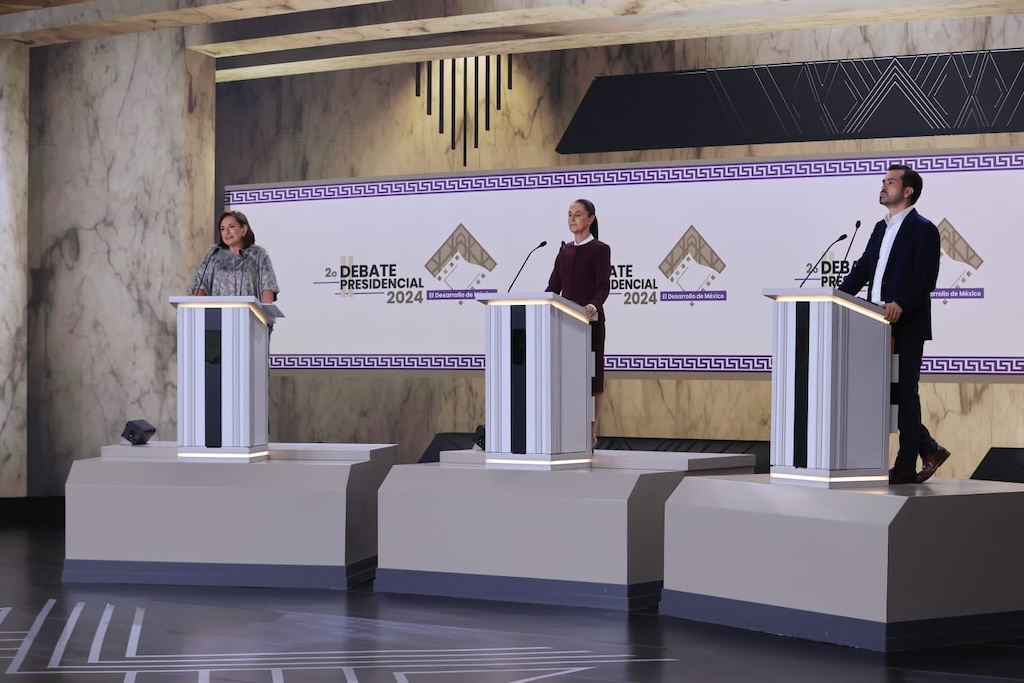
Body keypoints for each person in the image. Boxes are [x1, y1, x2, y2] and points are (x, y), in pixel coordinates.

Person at [839, 164, 950, 485]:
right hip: (874, 324)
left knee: (905, 393)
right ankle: (929, 448)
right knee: (886, 393)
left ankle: (905, 465)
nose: (883, 186)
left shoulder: (923, 228)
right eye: (883, 182)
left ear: (908, 191)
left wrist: (901, 302)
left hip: (907, 324)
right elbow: (862, 270)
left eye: (890, 182)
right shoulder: (879, 228)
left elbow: (926, 278)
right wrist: (836, 297)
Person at [545, 199, 611, 447]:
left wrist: (592, 306)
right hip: (565, 323)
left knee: (592, 378)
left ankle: (590, 431)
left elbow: (603, 286)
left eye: (578, 215)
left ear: (591, 219)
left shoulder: (600, 249)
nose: (572, 219)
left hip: (590, 322)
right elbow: (553, 287)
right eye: (569, 215)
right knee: (567, 376)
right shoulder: (564, 251)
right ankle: (568, 428)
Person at [189, 211, 279, 304]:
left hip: (249, 315)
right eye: (222, 229)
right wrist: (197, 308)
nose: (226, 232)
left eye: (231, 227)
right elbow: (200, 285)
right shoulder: (214, 253)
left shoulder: (258, 254)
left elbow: (268, 287)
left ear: (243, 229)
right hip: (217, 314)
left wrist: (265, 314)